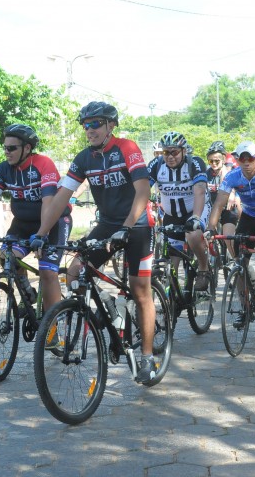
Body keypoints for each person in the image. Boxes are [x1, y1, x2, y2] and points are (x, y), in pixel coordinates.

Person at [30, 101, 160, 384]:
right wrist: (42, 232)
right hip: (107, 225)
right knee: (75, 271)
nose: (89, 130)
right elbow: (62, 195)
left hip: (137, 225)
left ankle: (148, 358)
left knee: (140, 291)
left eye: (96, 124)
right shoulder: (84, 158)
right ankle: (107, 307)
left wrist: (127, 227)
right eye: (85, 125)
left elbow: (143, 190)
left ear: (111, 125)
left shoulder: (126, 148)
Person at [0, 124, 72, 312]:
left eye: (12, 148)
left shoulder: (43, 163)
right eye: (5, 147)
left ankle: (53, 331)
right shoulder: (3, 169)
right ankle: (27, 290)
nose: (7, 152)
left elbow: (48, 202)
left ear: (27, 148)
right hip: (23, 223)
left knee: (47, 272)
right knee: (7, 257)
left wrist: (42, 234)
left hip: (53, 222)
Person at [206, 141, 255, 299]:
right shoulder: (232, 176)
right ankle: (244, 307)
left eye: (251, 159)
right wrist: (210, 228)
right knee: (239, 260)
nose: (247, 163)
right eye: (242, 159)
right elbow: (219, 203)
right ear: (237, 160)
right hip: (249, 216)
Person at [147, 131, 211, 290]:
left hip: (195, 209)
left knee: (193, 234)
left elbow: (200, 190)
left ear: (184, 151)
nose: (170, 156)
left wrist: (196, 217)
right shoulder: (156, 164)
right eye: (166, 152)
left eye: (174, 152)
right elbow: (141, 190)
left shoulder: (194, 163)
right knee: (172, 265)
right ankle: (173, 302)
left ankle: (204, 269)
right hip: (172, 215)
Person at [205, 141, 240, 259]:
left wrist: (233, 195)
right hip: (211, 210)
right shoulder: (205, 174)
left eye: (217, 161)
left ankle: (242, 266)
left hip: (227, 210)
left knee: (229, 239)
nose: (213, 163)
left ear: (224, 160)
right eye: (211, 161)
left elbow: (235, 189)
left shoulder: (231, 173)